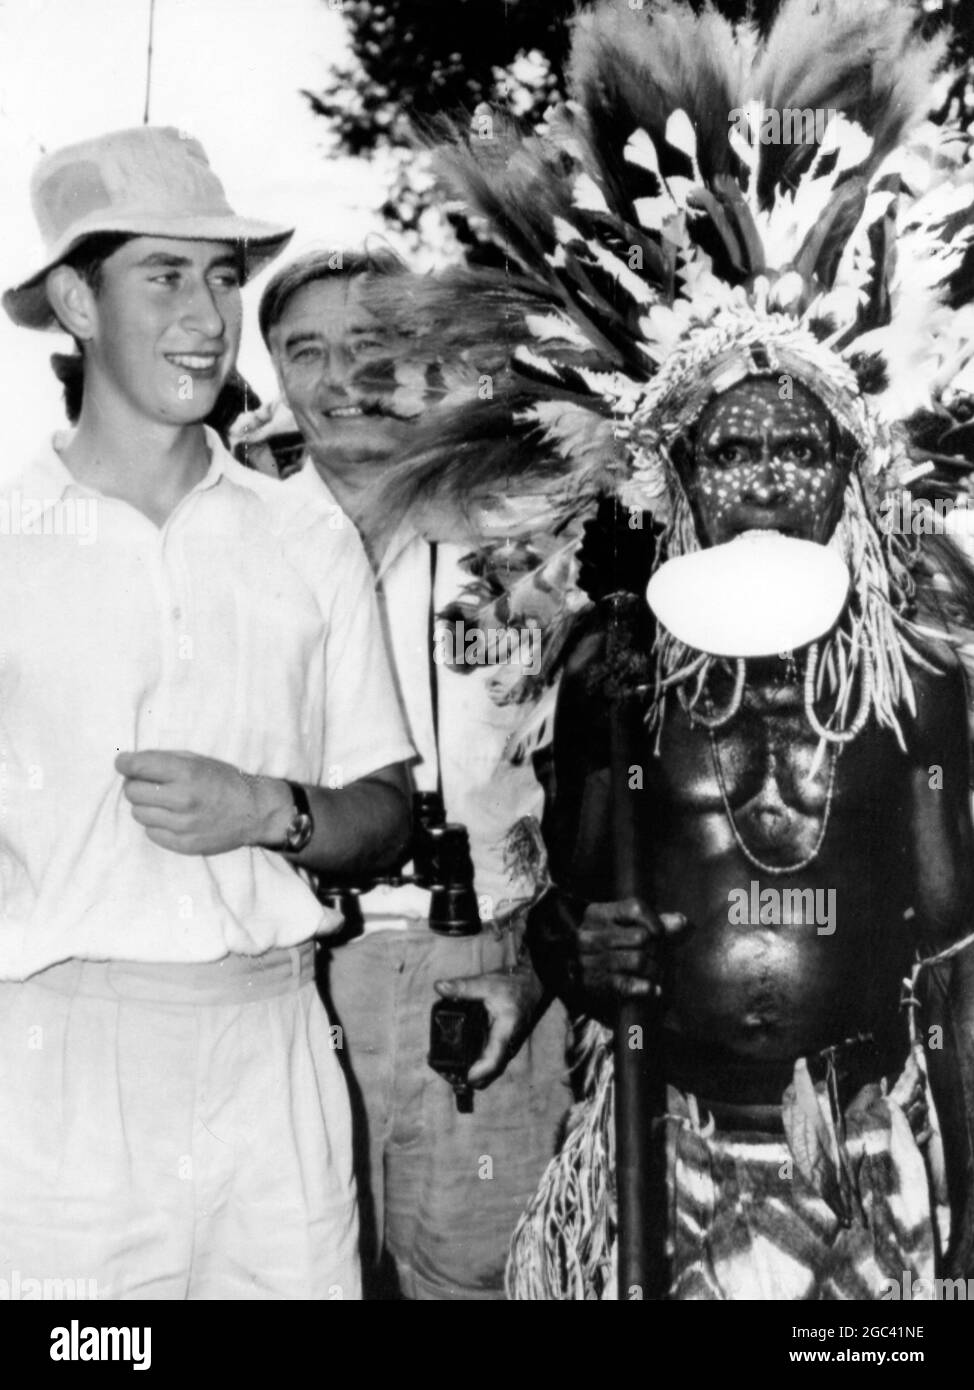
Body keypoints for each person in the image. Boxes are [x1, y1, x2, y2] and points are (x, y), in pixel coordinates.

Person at [354, 0, 974, 1299]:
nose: (764, 479)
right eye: (730, 449)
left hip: (864, 1139)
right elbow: (567, 918)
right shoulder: (614, 668)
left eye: (799, 448)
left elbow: (956, 948)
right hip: (674, 1140)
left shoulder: (914, 671)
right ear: (676, 475)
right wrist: (576, 954)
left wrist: (963, 1206)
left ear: (848, 474)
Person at [0, 126, 414, 1301]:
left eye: (225, 277)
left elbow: (382, 816)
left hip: (271, 1057)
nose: (207, 314)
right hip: (55, 1083)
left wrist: (267, 810)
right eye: (165, 274)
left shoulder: (303, 532)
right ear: (78, 299)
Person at [251, 248, 570, 1300]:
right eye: (308, 350)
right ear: (276, 376)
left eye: (373, 345)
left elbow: (617, 770)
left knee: (479, 1281)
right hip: (282, 986)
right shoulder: (227, 542)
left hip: (485, 977)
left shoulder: (530, 534)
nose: (343, 375)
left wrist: (536, 963)